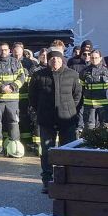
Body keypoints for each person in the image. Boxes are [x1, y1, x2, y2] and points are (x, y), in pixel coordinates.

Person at [30, 50, 82, 193]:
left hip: (67, 118)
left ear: (62, 60)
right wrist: (41, 109)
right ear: (48, 61)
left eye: (58, 59)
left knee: (68, 149)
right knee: (47, 150)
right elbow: (32, 97)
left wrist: (70, 109)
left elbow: (78, 96)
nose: (55, 62)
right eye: (52, 59)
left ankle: (68, 179)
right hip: (46, 119)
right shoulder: (38, 75)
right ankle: (47, 180)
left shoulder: (72, 74)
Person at [0, 42, 27, 154]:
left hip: (12, 99)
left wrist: (12, 87)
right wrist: (1, 87)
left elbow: (22, 76)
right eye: (1, 50)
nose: (3, 52)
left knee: (14, 122)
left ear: (9, 50)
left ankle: (14, 145)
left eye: (5, 49)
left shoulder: (16, 62)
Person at [79, 49, 107, 131]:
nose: (94, 59)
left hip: (104, 105)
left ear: (100, 58)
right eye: (92, 58)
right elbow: (80, 88)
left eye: (96, 58)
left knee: (105, 127)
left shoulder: (106, 71)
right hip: (89, 105)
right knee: (89, 127)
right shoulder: (84, 71)